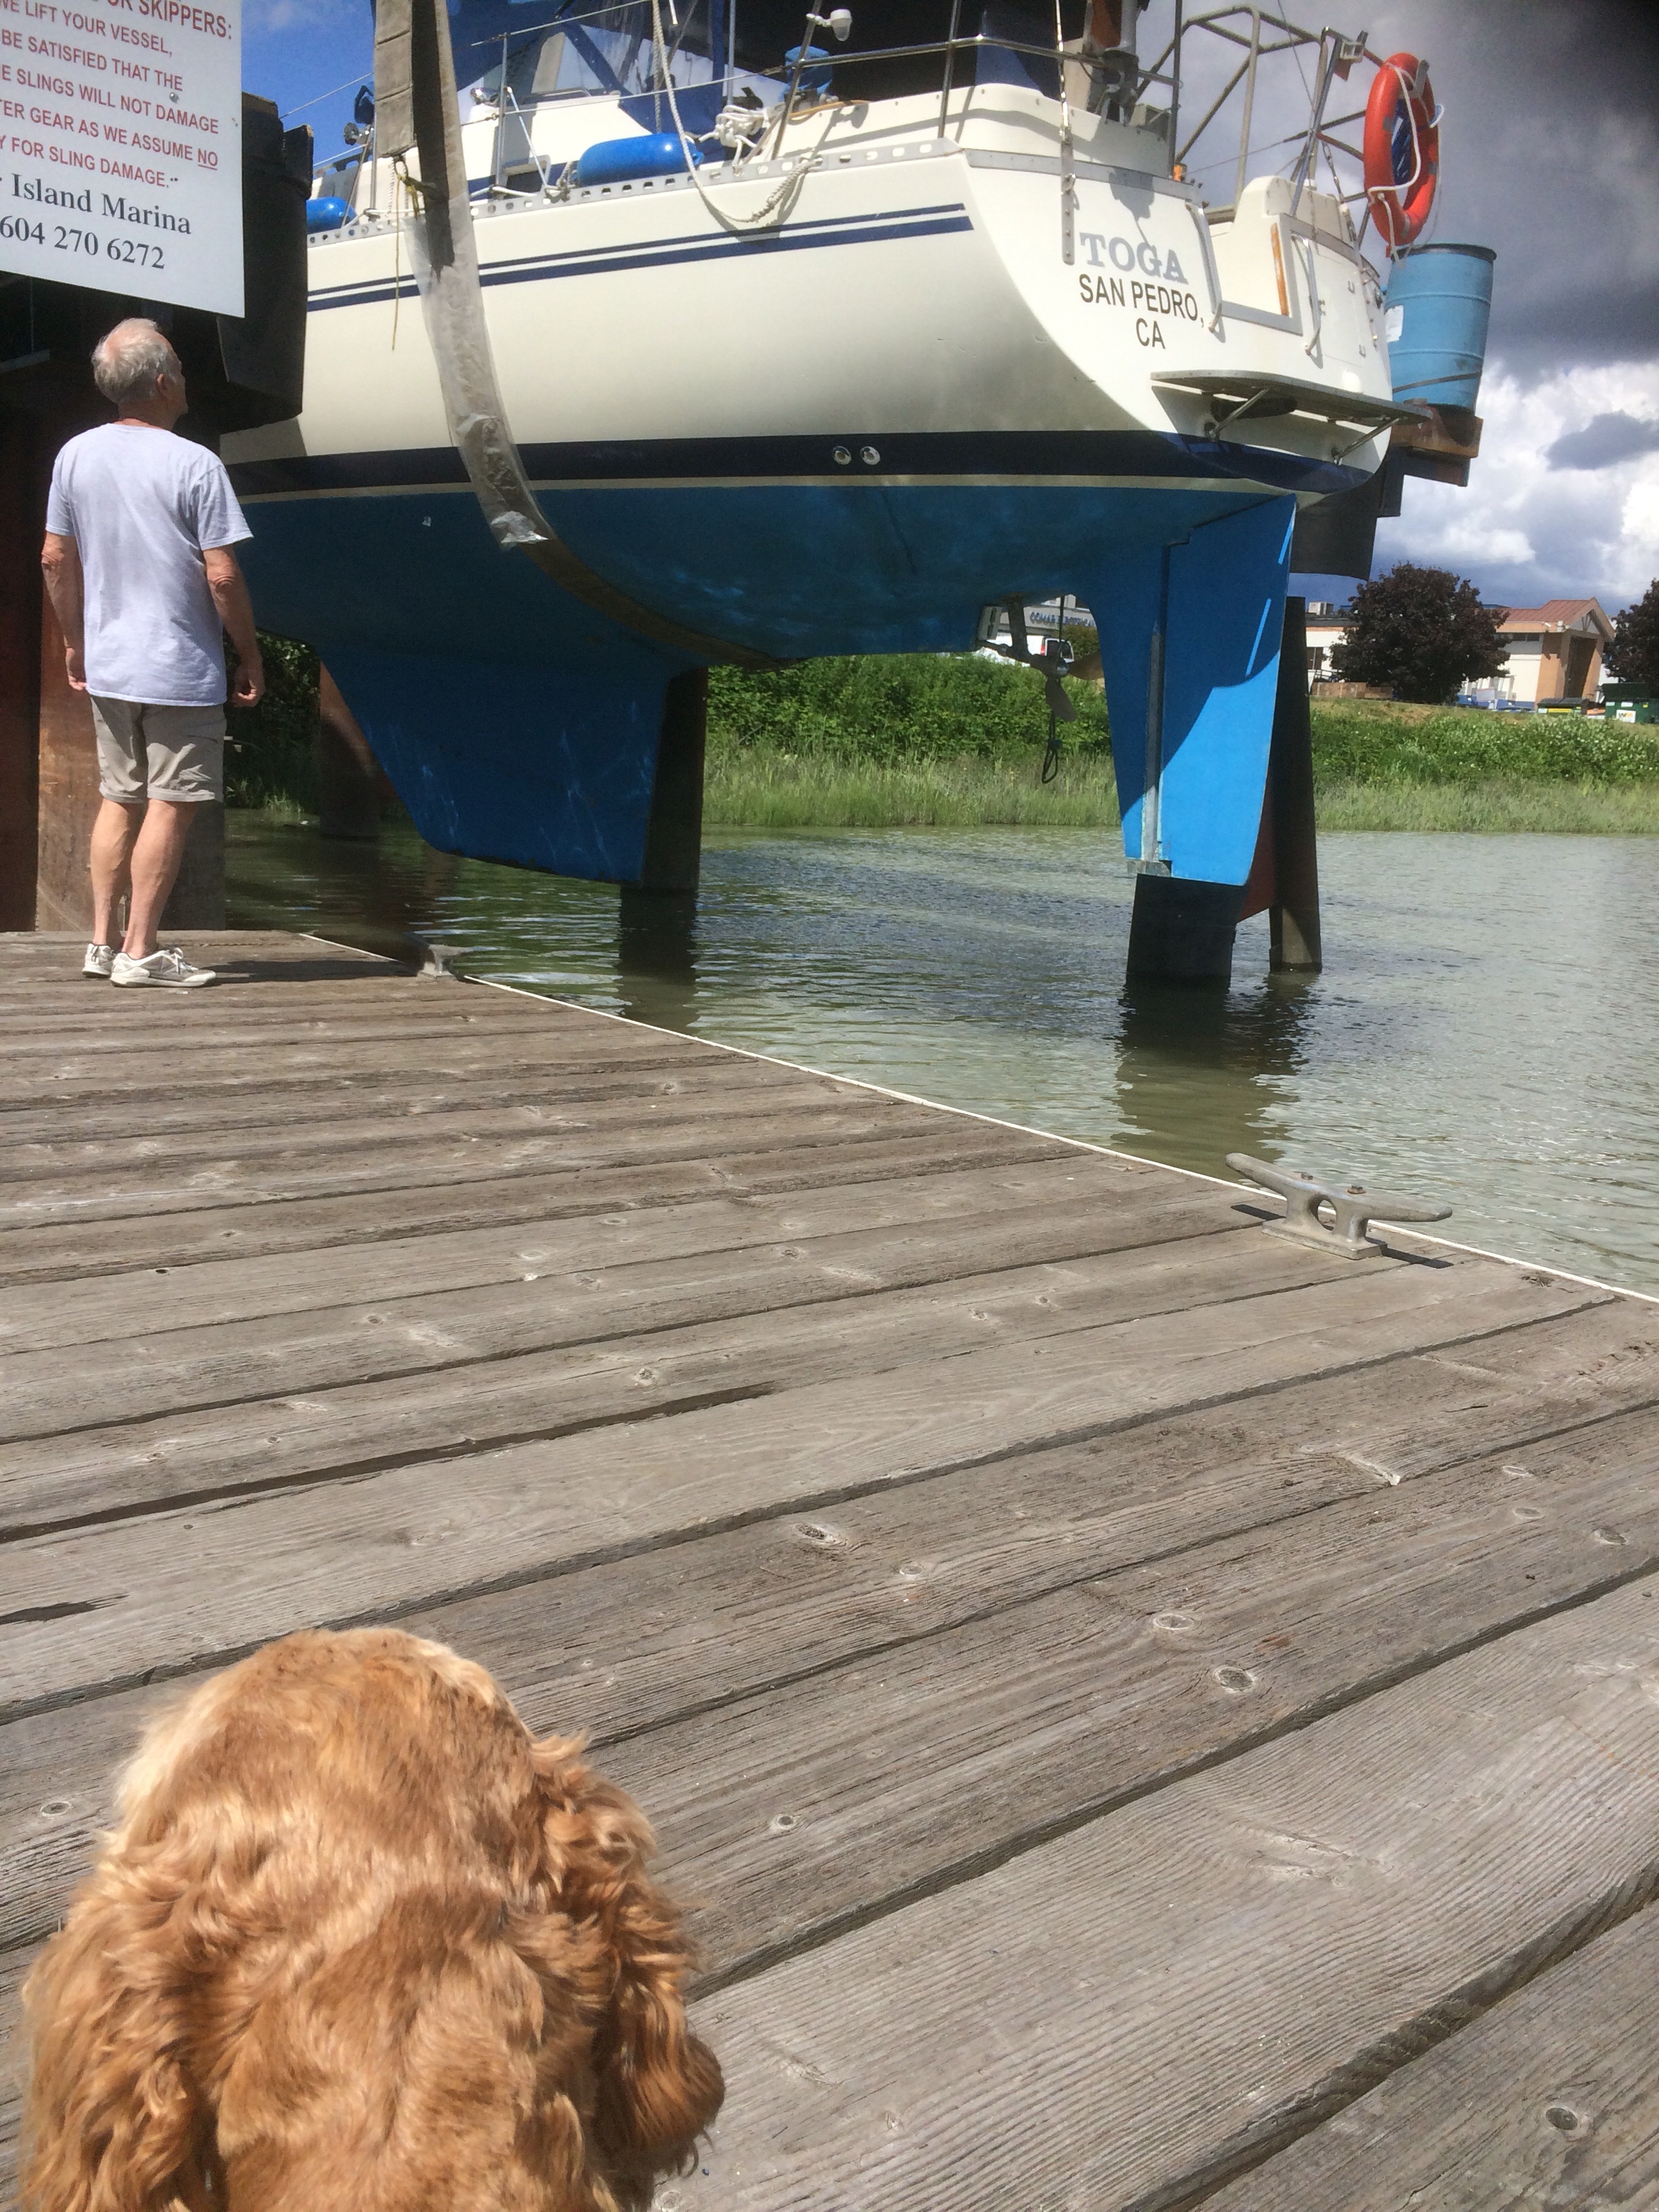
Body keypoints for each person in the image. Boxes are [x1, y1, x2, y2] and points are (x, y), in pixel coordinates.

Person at [41, 318, 264, 989]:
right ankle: (141, 952)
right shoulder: (196, 464)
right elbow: (221, 576)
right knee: (171, 802)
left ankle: (101, 943)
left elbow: (54, 559)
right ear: (164, 382)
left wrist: (75, 642)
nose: (187, 379)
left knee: (118, 797)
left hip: (110, 664)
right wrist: (249, 655)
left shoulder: (74, 455)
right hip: (178, 668)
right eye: (182, 369)